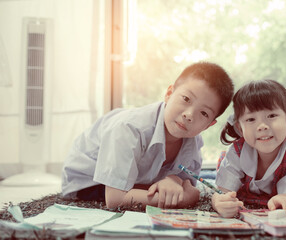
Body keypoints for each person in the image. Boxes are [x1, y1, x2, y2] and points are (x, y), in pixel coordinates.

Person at [61, 62, 234, 209]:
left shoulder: (193, 142)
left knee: (166, 185)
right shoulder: (129, 128)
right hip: (88, 180)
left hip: (137, 178)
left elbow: (187, 185)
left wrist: (173, 179)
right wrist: (183, 199)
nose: (189, 115)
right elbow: (114, 199)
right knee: (130, 191)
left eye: (204, 113)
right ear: (168, 94)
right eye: (186, 99)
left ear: (209, 124)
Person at [212, 79, 286, 218]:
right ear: (240, 128)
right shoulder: (237, 151)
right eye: (251, 119)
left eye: (272, 116)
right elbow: (222, 192)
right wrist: (219, 202)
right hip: (255, 190)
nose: (262, 126)